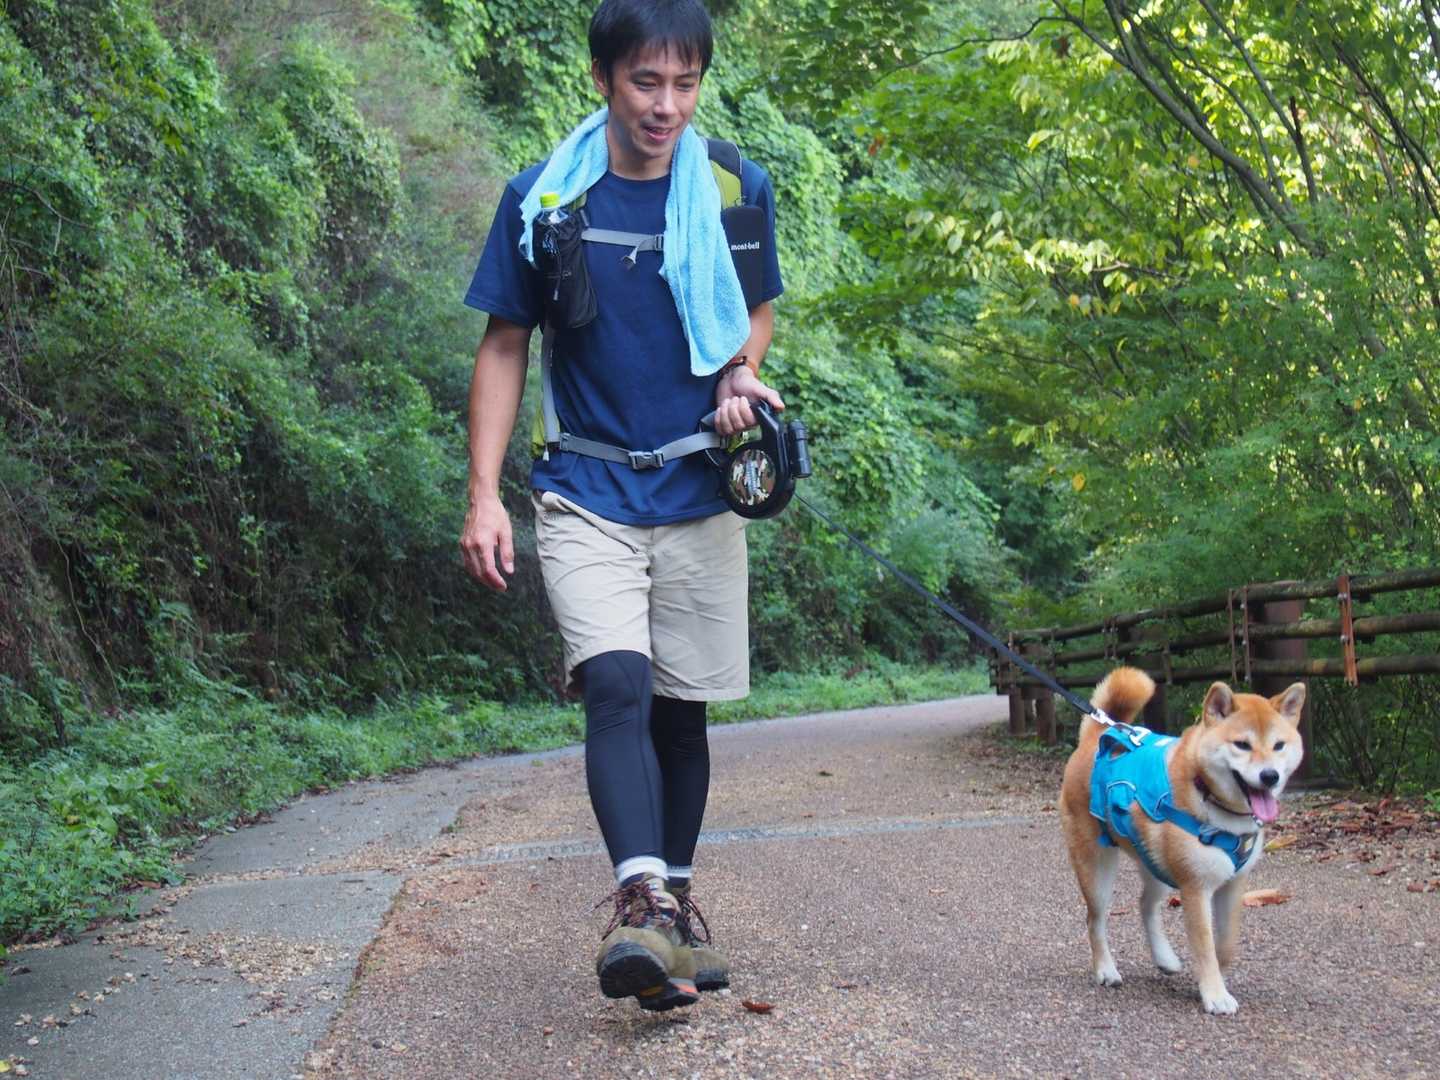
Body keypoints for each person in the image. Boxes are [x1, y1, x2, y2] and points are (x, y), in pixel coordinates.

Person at [458, 0, 784, 1010]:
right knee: (616, 686)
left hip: (698, 485)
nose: (666, 105)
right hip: (586, 486)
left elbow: (755, 309)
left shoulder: (733, 188)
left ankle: (670, 923)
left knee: (682, 714)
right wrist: (484, 494)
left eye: (685, 83)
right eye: (646, 81)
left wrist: (739, 373)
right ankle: (641, 902)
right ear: (603, 77)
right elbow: (504, 344)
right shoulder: (545, 199)